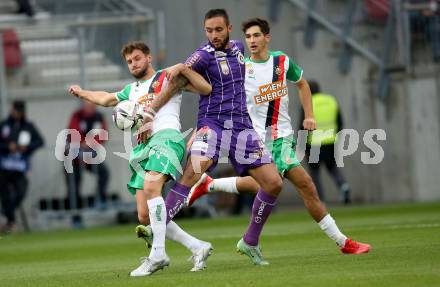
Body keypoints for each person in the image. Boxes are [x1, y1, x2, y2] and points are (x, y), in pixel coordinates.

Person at [187, 18, 370, 255]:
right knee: (305, 185)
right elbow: (216, 100)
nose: (251, 41)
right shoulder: (241, 68)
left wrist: (309, 115)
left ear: (267, 37)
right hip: (257, 139)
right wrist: (200, 129)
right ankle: (343, 242)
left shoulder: (281, 61)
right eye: (248, 37)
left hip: (282, 137)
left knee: (264, 184)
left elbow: (302, 84)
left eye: (256, 35)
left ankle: (211, 185)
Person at [144, 9, 286, 266]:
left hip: (242, 128)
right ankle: (157, 232)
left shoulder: (240, 48)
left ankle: (250, 242)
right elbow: (176, 80)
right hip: (213, 126)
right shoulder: (202, 55)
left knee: (274, 183)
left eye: (218, 30)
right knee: (191, 174)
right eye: (209, 30)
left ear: (229, 28)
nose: (213, 35)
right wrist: (150, 112)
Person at [68, 41, 213, 276]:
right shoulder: (131, 91)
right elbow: (105, 98)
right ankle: (198, 247)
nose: (133, 64)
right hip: (142, 148)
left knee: (152, 184)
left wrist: (185, 70)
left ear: (148, 58)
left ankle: (158, 254)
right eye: (129, 61)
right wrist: (82, 92)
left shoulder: (167, 77)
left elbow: (205, 89)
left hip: (166, 138)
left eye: (137, 58)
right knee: (145, 215)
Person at [0, 100, 43, 233]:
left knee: (21, 191)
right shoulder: (4, 125)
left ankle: (7, 215)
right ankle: (10, 222)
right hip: (3, 167)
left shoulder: (28, 126)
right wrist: (8, 147)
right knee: (5, 194)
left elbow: (39, 141)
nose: (17, 114)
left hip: (19, 167)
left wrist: (27, 148)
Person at [305, 80, 351, 204]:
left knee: (314, 172)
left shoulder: (308, 103)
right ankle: (343, 185)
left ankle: (319, 199)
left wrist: (303, 146)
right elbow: (340, 122)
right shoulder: (331, 100)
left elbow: (303, 125)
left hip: (314, 143)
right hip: (331, 141)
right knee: (332, 167)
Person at [65, 101, 109, 211]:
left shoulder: (99, 117)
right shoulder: (77, 115)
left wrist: (89, 143)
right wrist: (82, 143)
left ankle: (100, 200)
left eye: (91, 105)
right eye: (87, 105)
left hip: (90, 156)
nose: (89, 108)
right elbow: (72, 132)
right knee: (73, 186)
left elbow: (103, 135)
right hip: (73, 158)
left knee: (104, 174)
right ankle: (75, 213)